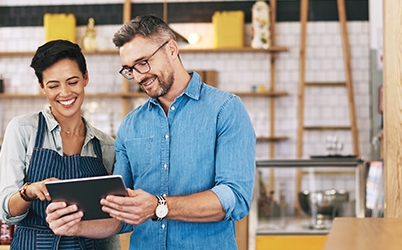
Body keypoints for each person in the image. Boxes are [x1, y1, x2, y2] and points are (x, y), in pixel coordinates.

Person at [45, 14, 256, 249]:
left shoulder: (225, 110)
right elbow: (120, 213)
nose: (138, 76)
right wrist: (75, 226)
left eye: (143, 62)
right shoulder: (130, 125)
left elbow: (235, 198)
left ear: (172, 49)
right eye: (129, 69)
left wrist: (158, 206)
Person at [0, 39, 121, 250]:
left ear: (85, 78)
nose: (64, 93)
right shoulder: (23, 130)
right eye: (53, 85)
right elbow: (3, 210)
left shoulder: (105, 145)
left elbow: (113, 220)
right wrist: (30, 192)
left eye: (72, 82)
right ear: (42, 87)